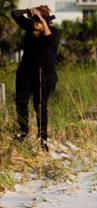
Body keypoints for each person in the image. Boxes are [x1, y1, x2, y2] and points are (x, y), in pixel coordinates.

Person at [11, 5, 60, 151]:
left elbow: (50, 41)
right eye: (34, 20)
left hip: (44, 75)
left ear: (46, 21)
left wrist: (42, 22)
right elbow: (14, 14)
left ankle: (43, 138)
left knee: (40, 106)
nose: (34, 23)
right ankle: (24, 131)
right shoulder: (30, 27)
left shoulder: (54, 32)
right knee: (20, 101)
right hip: (25, 72)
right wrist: (29, 11)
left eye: (38, 21)